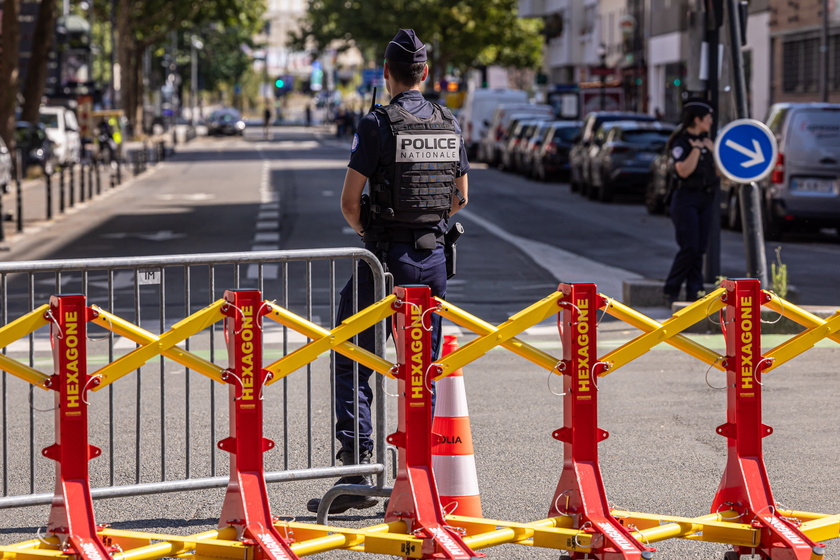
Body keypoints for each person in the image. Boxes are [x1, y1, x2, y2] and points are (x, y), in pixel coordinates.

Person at [307, 28, 469, 515]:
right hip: (434, 262)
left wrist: (368, 237)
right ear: (425, 73)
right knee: (422, 369)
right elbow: (461, 197)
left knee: (353, 355)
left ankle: (358, 471)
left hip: (384, 264)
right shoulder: (448, 121)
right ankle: (418, 473)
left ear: (386, 74)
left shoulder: (378, 124)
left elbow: (348, 202)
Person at [662, 98, 719, 306]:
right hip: (686, 198)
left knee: (700, 248)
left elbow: (720, 173)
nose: (711, 122)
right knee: (690, 246)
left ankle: (695, 291)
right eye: (708, 118)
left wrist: (712, 152)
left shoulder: (708, 141)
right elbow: (683, 171)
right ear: (697, 120)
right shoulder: (682, 143)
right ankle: (672, 289)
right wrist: (695, 150)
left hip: (705, 198)